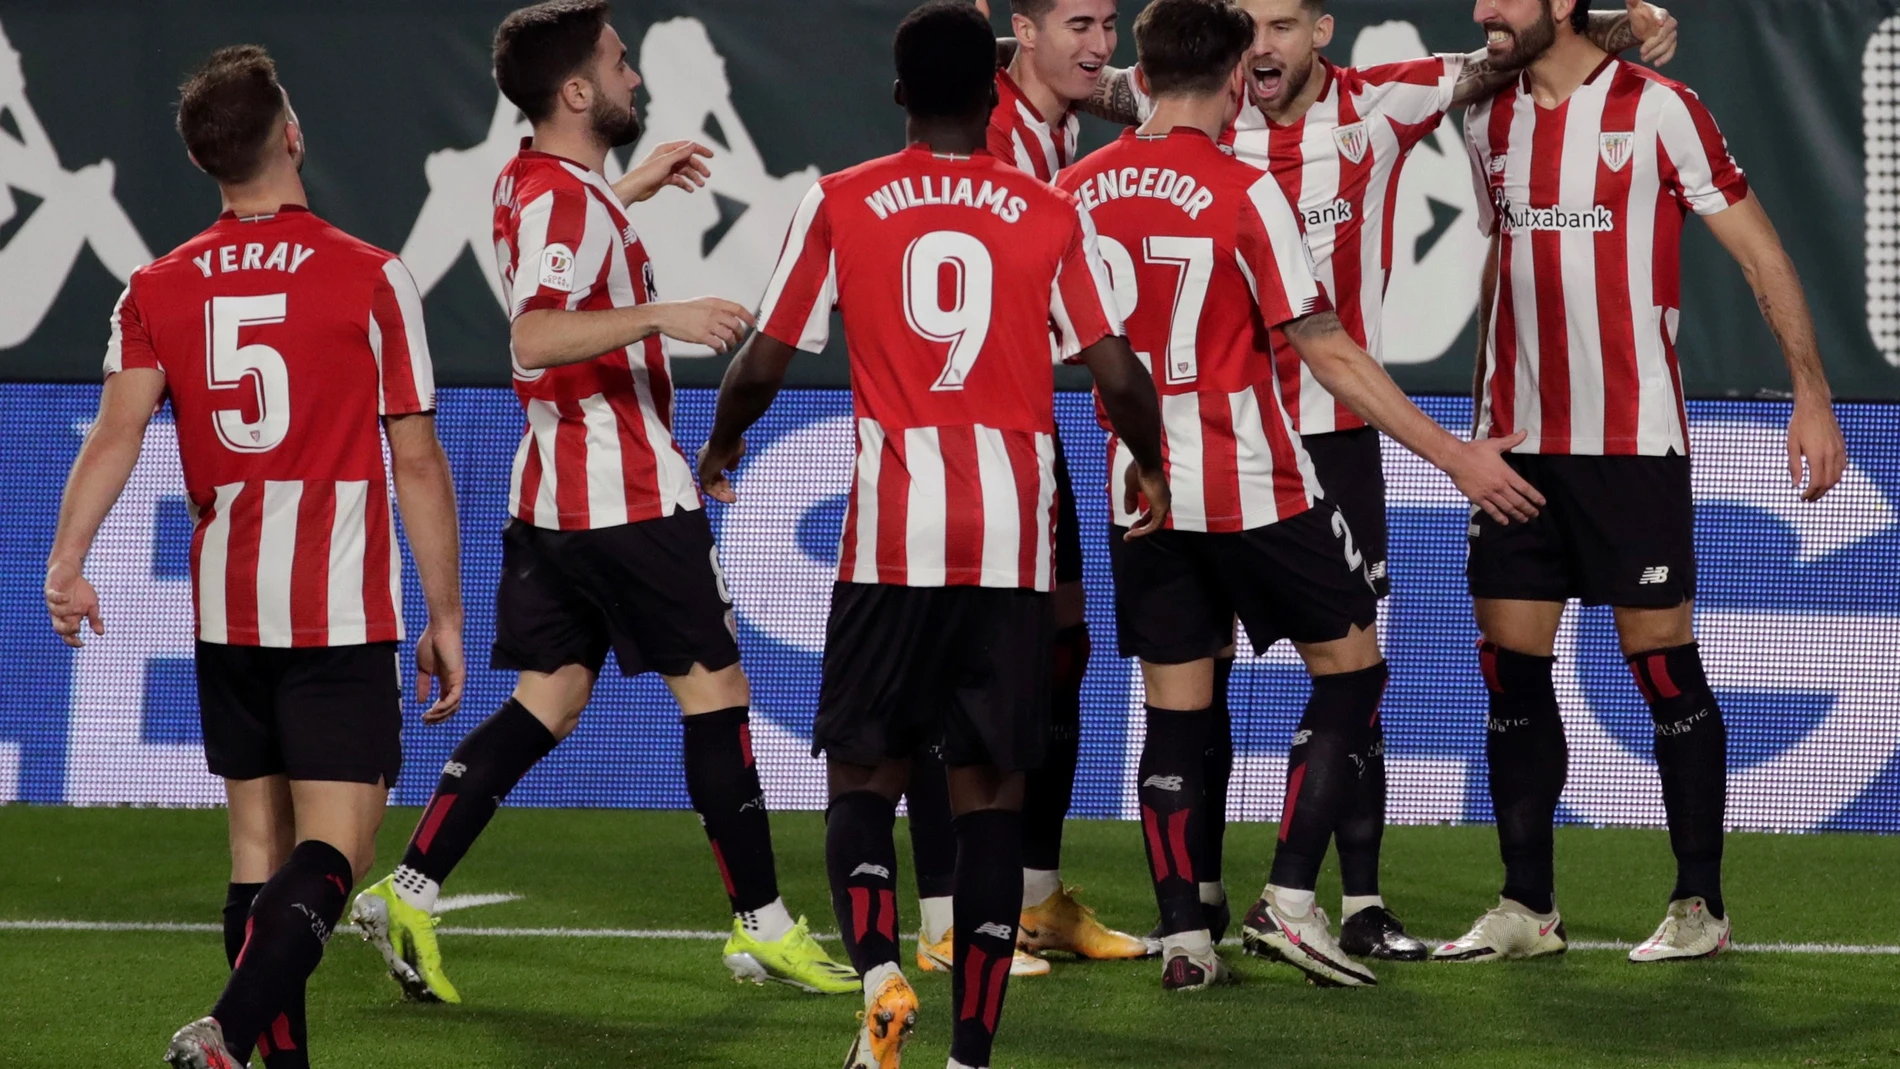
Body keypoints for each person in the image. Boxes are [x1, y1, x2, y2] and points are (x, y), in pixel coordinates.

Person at [1074, 0, 1677, 958]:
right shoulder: (1207, 138)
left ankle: (1357, 900)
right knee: (1286, 673)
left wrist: (1613, 21)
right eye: (1251, 30)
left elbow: (1499, 51)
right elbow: (1068, 63)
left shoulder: (1378, 107)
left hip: (1317, 439)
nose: (1264, 47)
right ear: (1230, 59)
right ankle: (1219, 900)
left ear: (1321, 31)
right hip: (1241, 440)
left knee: (1268, 679)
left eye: (1283, 25)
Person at [349, 0, 857, 1003]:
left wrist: (630, 189)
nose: (633, 77)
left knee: (550, 699)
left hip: (551, 497)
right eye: (619, 64)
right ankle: (761, 927)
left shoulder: (540, 182)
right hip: (621, 493)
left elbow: (563, 246)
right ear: (575, 91)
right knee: (716, 698)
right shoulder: (564, 204)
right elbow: (535, 334)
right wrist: (666, 311)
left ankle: (406, 890)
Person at [698, 3, 1167, 1063]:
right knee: (992, 798)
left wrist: (721, 444)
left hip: (888, 543)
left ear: (900, 93)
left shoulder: (841, 199)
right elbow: (1118, 370)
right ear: (993, 86)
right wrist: (1146, 457)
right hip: (1010, 544)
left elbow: (763, 360)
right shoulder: (1049, 210)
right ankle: (969, 1055)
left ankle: (876, 978)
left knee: (864, 777)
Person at [42, 45, 464, 1069]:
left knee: (255, 855)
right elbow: (413, 456)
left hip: (227, 608)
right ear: (292, 134)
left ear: (204, 161)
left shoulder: (156, 285)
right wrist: (445, 613)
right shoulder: (371, 274)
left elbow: (116, 434)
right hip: (334, 609)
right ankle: (228, 1030)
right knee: (339, 852)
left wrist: (66, 560)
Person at [1436, 0, 1847, 964]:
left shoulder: (1663, 109)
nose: (1483, 8)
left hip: (1632, 443)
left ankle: (1699, 902)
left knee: (1661, 662)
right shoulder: (1482, 109)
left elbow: (1759, 251)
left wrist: (1813, 393)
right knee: (1509, 666)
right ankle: (1526, 905)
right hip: (1514, 443)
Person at [900, 0, 1150, 974]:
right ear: (1025, 30)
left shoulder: (1061, 120)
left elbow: (1184, 76)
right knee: (963, 679)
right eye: (1080, 22)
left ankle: (1035, 897)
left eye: (1108, 23)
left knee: (1060, 656)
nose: (1099, 43)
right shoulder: (987, 133)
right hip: (963, 454)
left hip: (1031, 445)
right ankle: (945, 914)